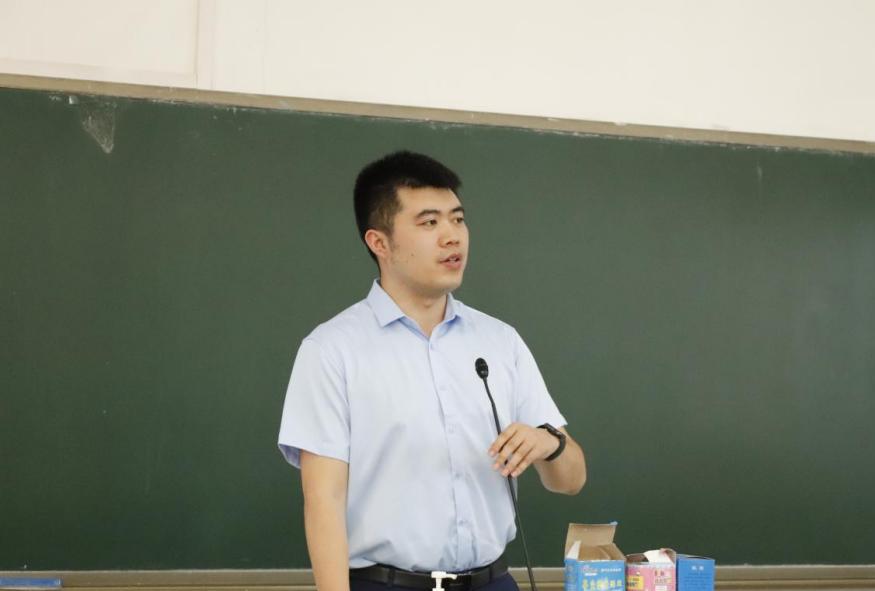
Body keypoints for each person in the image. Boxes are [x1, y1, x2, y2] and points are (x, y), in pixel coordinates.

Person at [278, 151, 586, 591]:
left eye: (457, 220)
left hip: (492, 581)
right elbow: (323, 501)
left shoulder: (500, 341)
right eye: (429, 223)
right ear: (379, 243)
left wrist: (548, 443)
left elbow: (571, 480)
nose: (452, 236)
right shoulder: (332, 350)